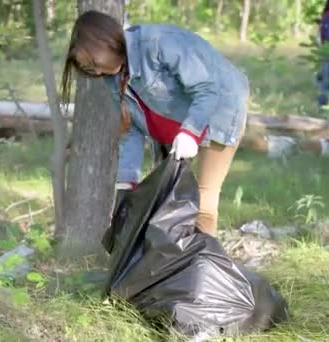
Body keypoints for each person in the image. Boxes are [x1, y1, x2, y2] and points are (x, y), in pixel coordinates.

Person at [60, 11, 249, 237]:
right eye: (90, 70)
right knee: (168, 202)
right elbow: (130, 127)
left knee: (203, 202)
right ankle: (173, 267)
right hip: (174, 131)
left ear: (107, 41)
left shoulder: (158, 44)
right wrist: (126, 181)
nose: (98, 71)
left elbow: (207, 89)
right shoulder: (112, 75)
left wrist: (190, 132)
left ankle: (202, 268)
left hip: (218, 113)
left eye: (95, 63)